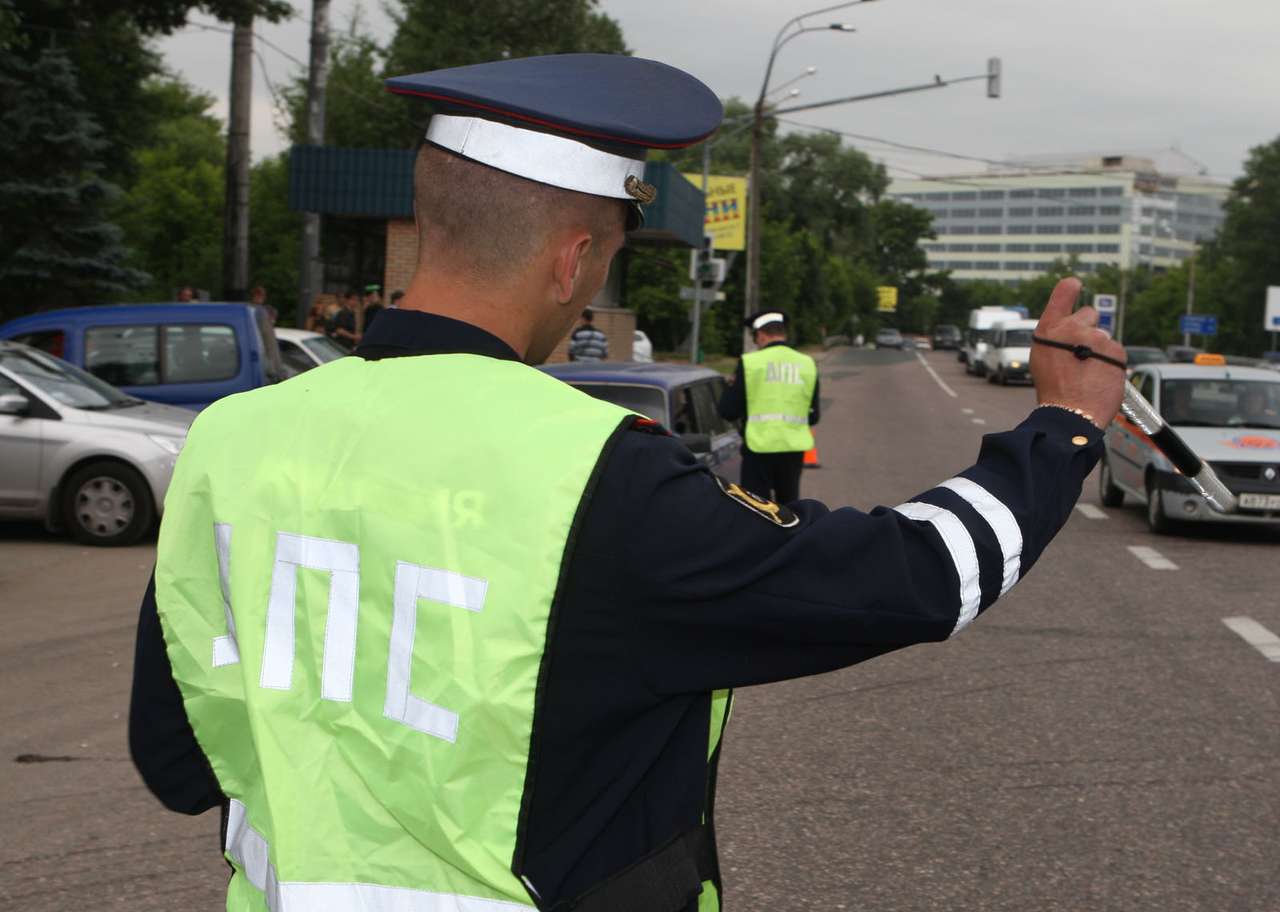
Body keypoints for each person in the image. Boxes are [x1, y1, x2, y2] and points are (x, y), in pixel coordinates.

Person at [129, 53, 1125, 912]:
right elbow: (920, 573)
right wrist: (1062, 428)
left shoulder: (230, 439)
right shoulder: (596, 473)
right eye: (607, 255)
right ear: (572, 262)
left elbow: (176, 764)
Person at [717, 310, 820, 504]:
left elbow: (727, 411)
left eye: (755, 337)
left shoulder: (750, 363)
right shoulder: (807, 364)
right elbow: (813, 416)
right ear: (783, 333)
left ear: (761, 334)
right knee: (788, 511)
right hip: (793, 450)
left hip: (758, 449)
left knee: (756, 511)